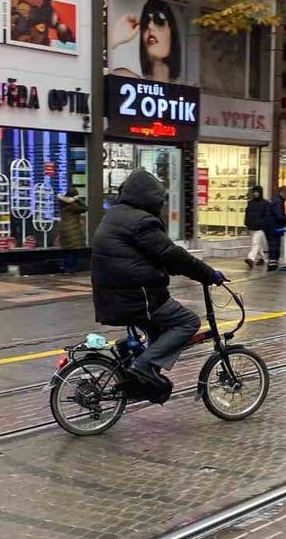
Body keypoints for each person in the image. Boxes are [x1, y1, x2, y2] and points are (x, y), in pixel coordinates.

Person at [91, 170, 226, 400]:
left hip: (112, 296)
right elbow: (172, 254)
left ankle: (142, 376)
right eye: (160, 200)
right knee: (188, 322)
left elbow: (154, 255)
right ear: (148, 198)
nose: (161, 205)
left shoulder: (116, 214)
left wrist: (173, 268)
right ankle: (143, 366)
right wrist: (208, 274)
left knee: (158, 332)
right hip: (137, 297)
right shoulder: (142, 221)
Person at [110, 0, 181, 82]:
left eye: (159, 20)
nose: (150, 26)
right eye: (145, 21)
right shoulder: (127, 81)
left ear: (172, 33)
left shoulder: (186, 92)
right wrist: (114, 39)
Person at [56, 185, 88, 274]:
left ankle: (66, 267)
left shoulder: (63, 204)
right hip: (72, 229)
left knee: (66, 250)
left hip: (63, 229)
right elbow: (85, 208)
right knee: (73, 251)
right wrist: (78, 200)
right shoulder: (73, 205)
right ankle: (70, 269)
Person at [265, 186, 286, 270]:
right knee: (274, 246)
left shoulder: (276, 200)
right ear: (283, 193)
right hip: (273, 228)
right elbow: (279, 216)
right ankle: (272, 265)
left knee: (273, 246)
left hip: (271, 227)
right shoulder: (278, 202)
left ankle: (273, 263)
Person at [243, 185, 269, 269]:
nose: (256, 194)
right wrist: (246, 223)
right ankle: (262, 258)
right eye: (254, 192)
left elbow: (266, 215)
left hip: (260, 227)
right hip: (251, 226)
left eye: (257, 192)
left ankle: (251, 258)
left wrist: (263, 223)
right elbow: (247, 214)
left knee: (255, 243)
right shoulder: (250, 203)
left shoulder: (265, 203)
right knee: (258, 243)